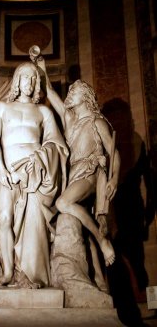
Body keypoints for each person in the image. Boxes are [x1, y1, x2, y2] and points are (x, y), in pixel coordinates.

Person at [0, 61, 68, 287]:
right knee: (4, 218)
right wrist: (1, 170)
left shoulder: (43, 111)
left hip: (34, 174)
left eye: (34, 79)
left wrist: (41, 161)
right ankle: (8, 271)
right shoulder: (1, 108)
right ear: (16, 81)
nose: (29, 83)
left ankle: (31, 273)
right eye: (25, 77)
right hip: (8, 170)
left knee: (32, 224)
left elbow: (56, 144)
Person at [37, 57, 120, 267]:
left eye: (73, 92)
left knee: (63, 203)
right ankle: (96, 272)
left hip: (91, 172)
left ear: (85, 97)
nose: (69, 95)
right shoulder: (69, 119)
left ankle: (103, 240)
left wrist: (115, 179)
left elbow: (114, 151)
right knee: (48, 209)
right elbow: (49, 90)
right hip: (72, 174)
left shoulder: (97, 121)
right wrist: (41, 68)